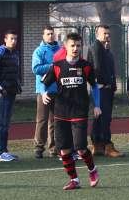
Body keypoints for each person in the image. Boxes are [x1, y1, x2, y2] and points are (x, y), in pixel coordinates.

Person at [41, 33, 101, 190]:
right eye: (72, 45)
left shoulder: (86, 66)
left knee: (80, 148)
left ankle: (92, 170)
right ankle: (74, 180)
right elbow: (44, 82)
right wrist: (44, 93)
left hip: (79, 112)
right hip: (61, 113)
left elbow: (95, 86)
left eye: (78, 46)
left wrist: (97, 105)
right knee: (64, 150)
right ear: (65, 47)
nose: (75, 48)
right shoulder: (57, 66)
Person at [87, 25, 123, 157]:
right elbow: (96, 68)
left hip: (105, 88)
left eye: (108, 33)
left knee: (99, 118)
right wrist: (102, 83)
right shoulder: (96, 47)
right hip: (101, 89)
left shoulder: (105, 49)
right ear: (97, 34)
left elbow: (108, 69)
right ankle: (107, 145)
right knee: (105, 118)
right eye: (104, 33)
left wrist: (112, 85)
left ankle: (97, 145)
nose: (107, 36)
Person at [0, 30, 22, 161]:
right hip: (2, 94)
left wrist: (17, 86)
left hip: (12, 92)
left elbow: (14, 73)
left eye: (15, 39)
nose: (14, 41)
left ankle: (5, 151)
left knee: (6, 123)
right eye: (11, 39)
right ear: (5, 40)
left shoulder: (15, 53)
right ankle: (0, 153)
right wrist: (0, 89)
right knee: (1, 122)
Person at [32, 26, 60, 158]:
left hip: (58, 90)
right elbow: (36, 68)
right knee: (42, 120)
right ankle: (39, 148)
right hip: (44, 91)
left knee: (55, 120)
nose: (50, 36)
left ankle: (54, 148)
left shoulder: (60, 50)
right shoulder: (39, 51)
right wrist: (52, 66)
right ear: (43, 36)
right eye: (48, 34)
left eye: (52, 34)